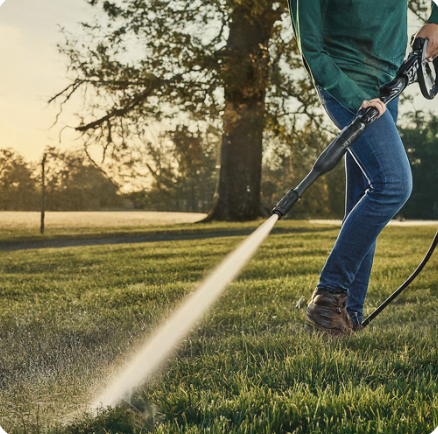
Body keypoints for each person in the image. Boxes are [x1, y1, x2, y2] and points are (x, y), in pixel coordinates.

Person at [288, 0, 438, 335]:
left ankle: (345, 319)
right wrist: (356, 99)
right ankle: (329, 296)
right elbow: (311, 49)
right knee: (392, 183)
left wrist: (435, 20)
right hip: (345, 80)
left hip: (387, 85)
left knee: (364, 195)